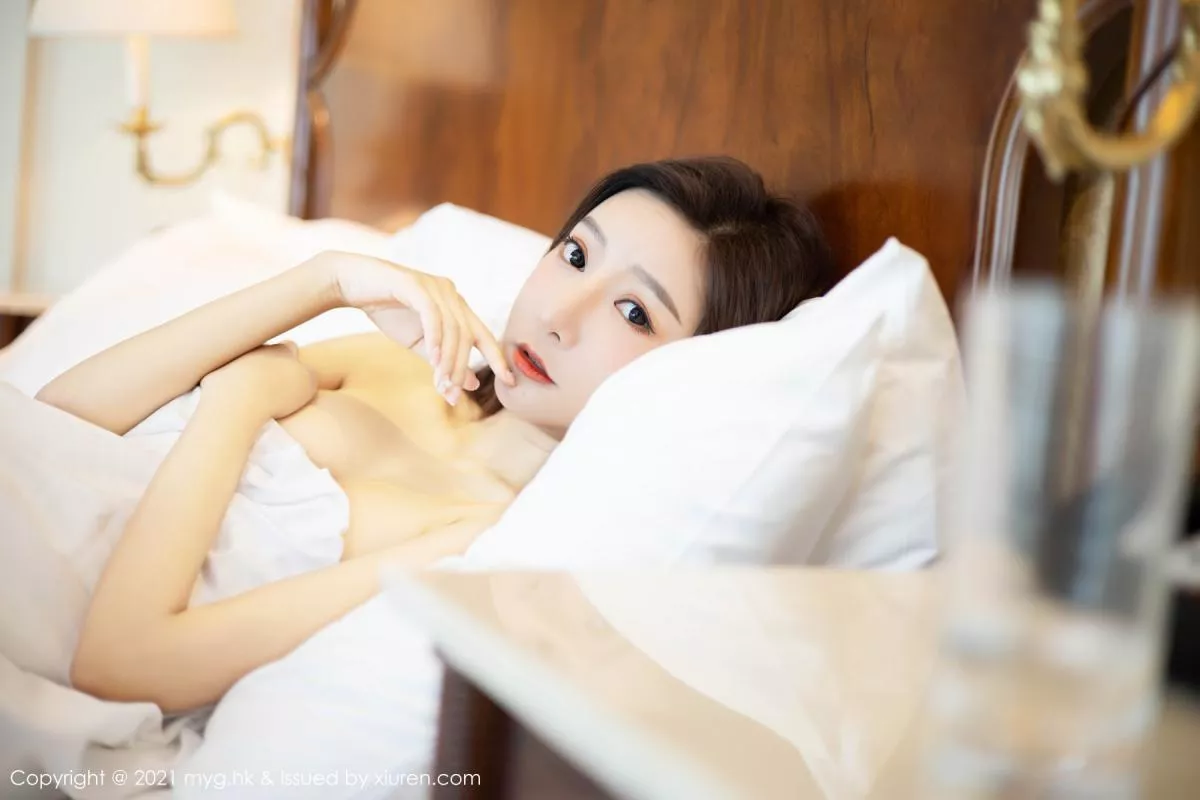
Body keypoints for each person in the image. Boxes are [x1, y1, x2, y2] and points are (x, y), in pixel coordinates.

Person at [35, 157, 835, 711]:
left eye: (633, 311)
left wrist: (239, 394)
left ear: (692, 372)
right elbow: (54, 421)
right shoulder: (400, 370)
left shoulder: (481, 536)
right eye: (575, 254)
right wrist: (325, 281)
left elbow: (122, 666)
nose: (557, 315)